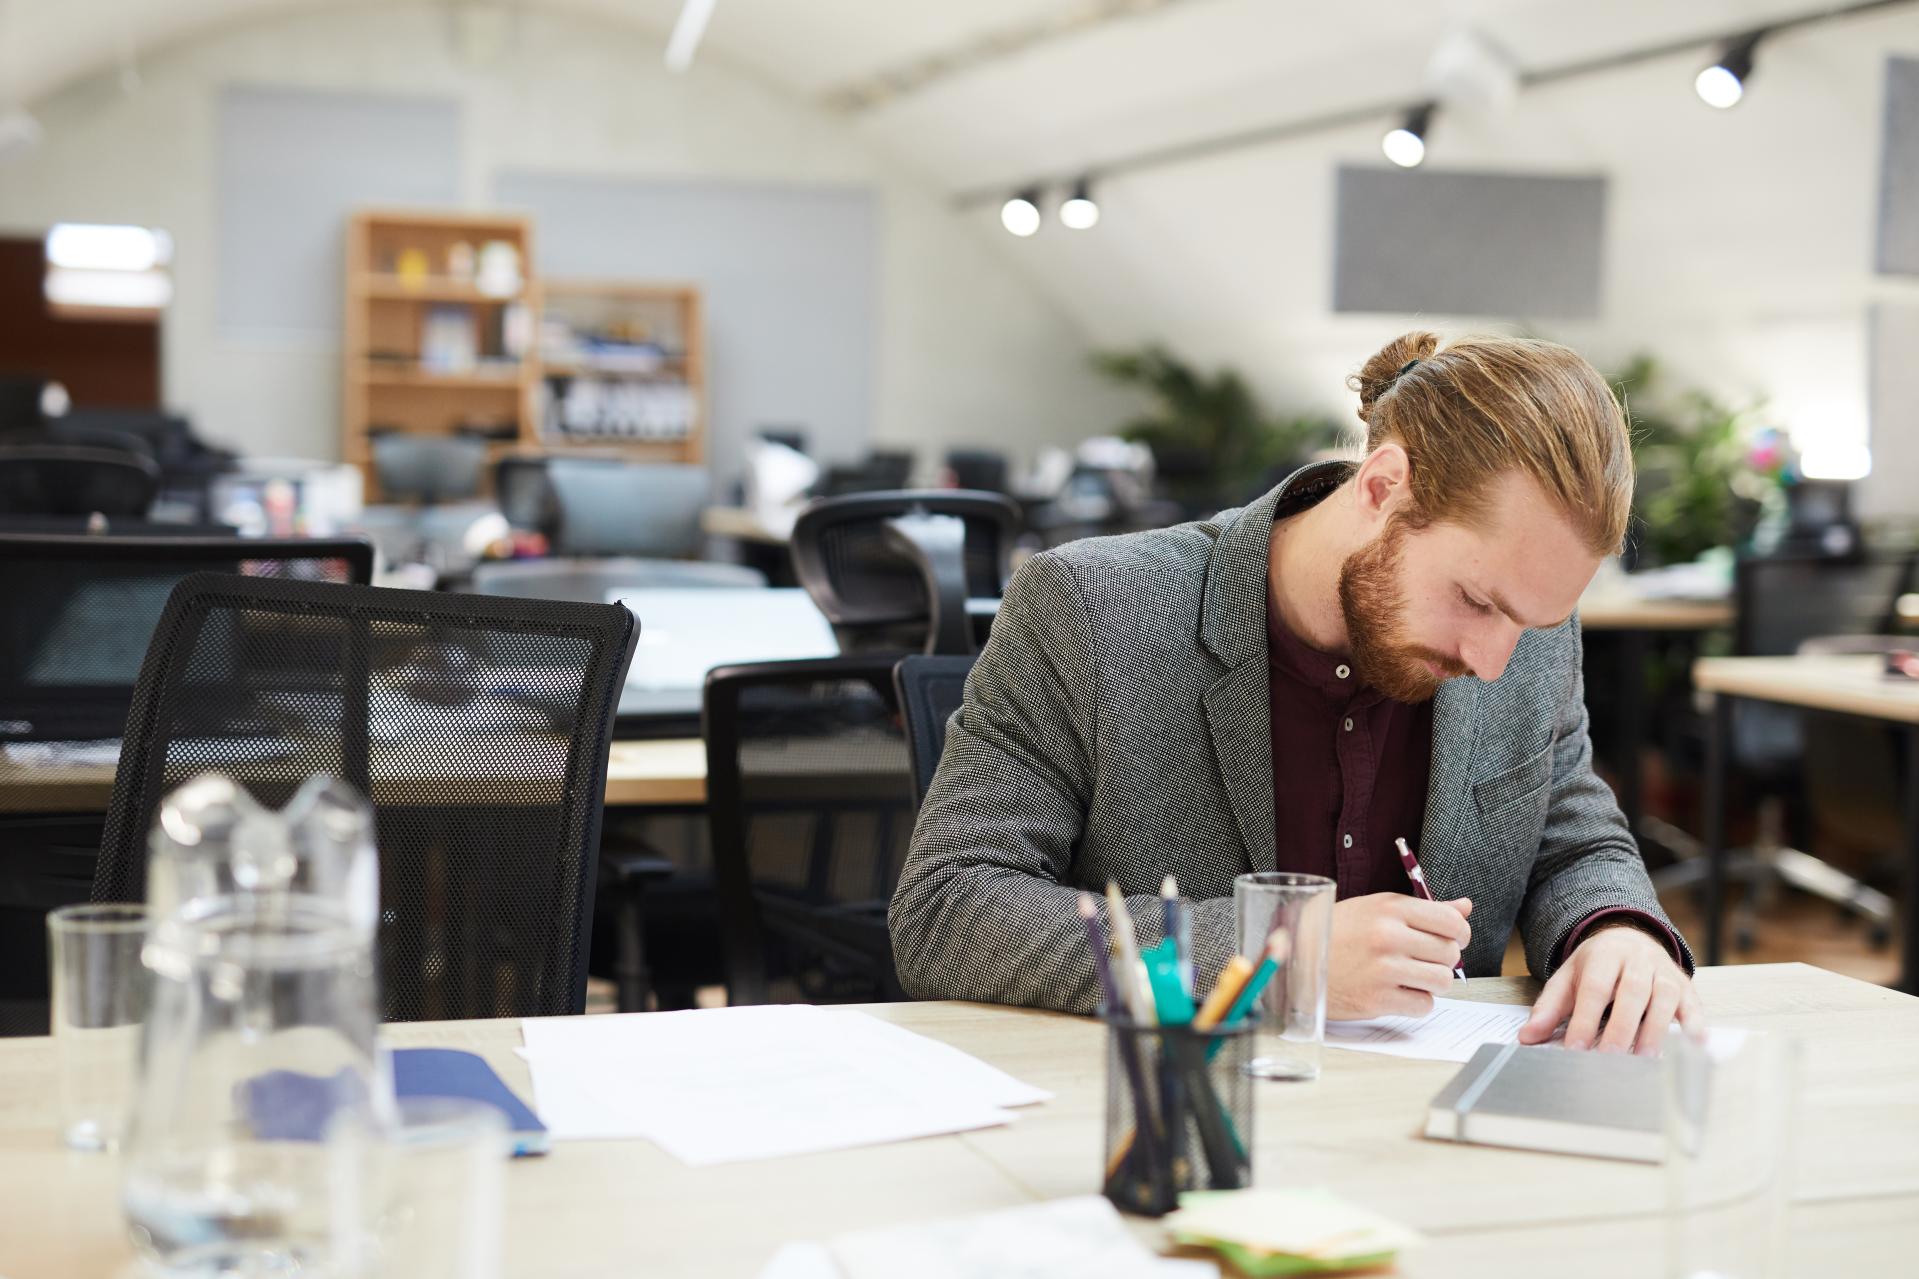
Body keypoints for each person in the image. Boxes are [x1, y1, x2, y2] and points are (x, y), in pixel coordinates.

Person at [889, 331, 1702, 1055]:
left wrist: (1619, 928)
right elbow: (948, 909)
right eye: (1476, 601)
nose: (1492, 660)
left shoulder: (1527, 639)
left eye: (1527, 622)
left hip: (1424, 1143)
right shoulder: (1091, 610)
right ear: (1383, 487)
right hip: (1169, 1115)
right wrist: (1273, 954)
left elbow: (1573, 840)